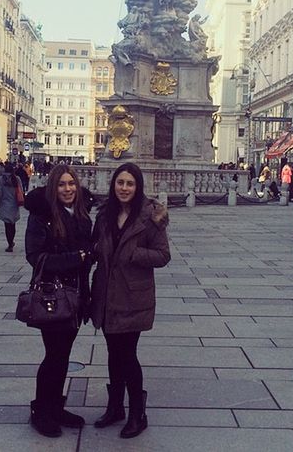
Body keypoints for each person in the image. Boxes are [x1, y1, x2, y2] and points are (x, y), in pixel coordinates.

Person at [90, 162, 170, 439]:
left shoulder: (150, 218)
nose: (124, 188)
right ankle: (115, 408)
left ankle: (138, 412)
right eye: (120, 183)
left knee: (128, 356)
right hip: (107, 295)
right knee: (113, 354)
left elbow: (163, 256)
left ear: (138, 188)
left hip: (133, 296)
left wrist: (135, 254)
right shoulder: (105, 216)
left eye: (130, 184)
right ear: (114, 185)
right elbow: (93, 249)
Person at [24, 164, 94, 438]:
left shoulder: (81, 214)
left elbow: (88, 255)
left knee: (63, 356)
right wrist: (75, 259)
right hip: (52, 297)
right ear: (54, 188)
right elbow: (35, 256)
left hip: (76, 297)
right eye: (62, 185)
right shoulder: (42, 216)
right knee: (53, 355)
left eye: (71, 184)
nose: (68, 189)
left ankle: (55, 406)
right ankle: (41, 411)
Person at [0, 163, 21, 252]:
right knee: (13, 224)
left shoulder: (1, 179)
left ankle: (10, 243)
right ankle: (11, 242)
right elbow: (21, 191)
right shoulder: (16, 179)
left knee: (7, 226)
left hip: (5, 203)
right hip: (14, 204)